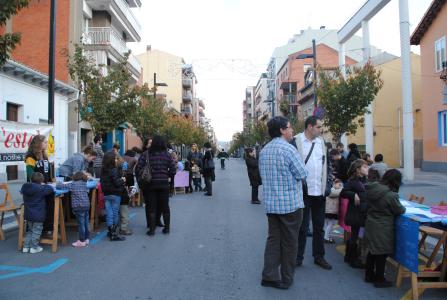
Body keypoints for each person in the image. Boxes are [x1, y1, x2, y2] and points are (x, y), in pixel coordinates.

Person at [259, 116, 307, 290]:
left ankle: (269, 276)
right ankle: (286, 278)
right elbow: (302, 174)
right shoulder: (288, 150)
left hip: (272, 205)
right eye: (289, 127)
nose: (292, 130)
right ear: (281, 130)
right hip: (290, 206)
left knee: (273, 240)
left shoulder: (264, 151)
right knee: (290, 243)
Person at [294, 116, 333, 270]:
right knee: (302, 227)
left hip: (319, 191)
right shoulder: (296, 142)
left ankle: (319, 257)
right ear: (310, 127)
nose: (321, 129)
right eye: (319, 127)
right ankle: (298, 257)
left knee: (319, 227)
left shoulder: (322, 143)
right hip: (303, 192)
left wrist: (328, 185)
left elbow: (328, 165)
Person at [365, 169, 406, 288]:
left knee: (372, 251)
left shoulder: (373, 188)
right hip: (383, 226)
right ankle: (379, 279)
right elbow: (400, 210)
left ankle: (369, 275)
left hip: (371, 223)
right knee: (382, 253)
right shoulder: (391, 195)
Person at [135, 135, 176, 235]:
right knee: (165, 207)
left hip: (150, 184)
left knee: (152, 207)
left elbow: (138, 168)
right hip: (164, 184)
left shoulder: (146, 154)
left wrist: (142, 179)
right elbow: (173, 169)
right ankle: (167, 229)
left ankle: (152, 230)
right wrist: (168, 176)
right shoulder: (167, 155)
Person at [340, 159, 369, 268]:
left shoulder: (363, 179)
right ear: (358, 169)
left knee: (355, 235)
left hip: (360, 212)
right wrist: (353, 195)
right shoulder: (353, 181)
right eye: (365, 167)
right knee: (355, 236)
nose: (367, 169)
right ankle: (353, 259)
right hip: (356, 213)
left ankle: (349, 257)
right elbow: (343, 193)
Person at [25, 135, 54, 233]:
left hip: (45, 186)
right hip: (36, 188)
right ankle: (33, 230)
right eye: (45, 142)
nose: (46, 144)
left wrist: (50, 180)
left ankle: (47, 228)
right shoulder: (31, 157)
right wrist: (39, 182)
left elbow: (46, 171)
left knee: (50, 205)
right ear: (38, 143)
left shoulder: (45, 156)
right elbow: (30, 173)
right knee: (38, 208)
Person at [21, 172, 54, 254]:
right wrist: (44, 184)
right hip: (38, 214)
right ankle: (34, 247)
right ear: (41, 180)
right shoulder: (41, 189)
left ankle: (26, 246)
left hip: (28, 214)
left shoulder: (25, 187)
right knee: (36, 231)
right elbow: (50, 189)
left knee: (29, 231)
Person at [56, 171, 91, 247]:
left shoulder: (73, 184)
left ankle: (81, 241)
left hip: (78, 206)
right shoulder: (85, 184)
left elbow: (60, 186)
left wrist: (57, 182)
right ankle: (86, 238)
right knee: (85, 223)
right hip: (86, 205)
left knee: (81, 224)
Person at [100, 151, 126, 241]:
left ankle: (110, 231)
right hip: (115, 194)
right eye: (115, 158)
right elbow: (116, 182)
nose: (116, 160)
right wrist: (122, 179)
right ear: (111, 160)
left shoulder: (103, 170)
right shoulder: (114, 169)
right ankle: (114, 233)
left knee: (109, 213)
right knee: (115, 213)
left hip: (106, 194)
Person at [121, 150, 138, 235]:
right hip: (130, 174)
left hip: (123, 175)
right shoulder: (134, 158)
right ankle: (132, 202)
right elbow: (137, 164)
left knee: (124, 188)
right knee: (131, 188)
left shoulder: (122, 157)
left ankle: (126, 200)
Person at [324, 179, 343, 244]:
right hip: (330, 210)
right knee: (330, 224)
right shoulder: (332, 190)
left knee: (328, 224)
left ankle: (327, 236)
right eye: (339, 184)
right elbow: (334, 193)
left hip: (329, 210)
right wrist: (342, 189)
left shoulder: (333, 190)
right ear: (334, 184)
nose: (340, 186)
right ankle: (326, 238)